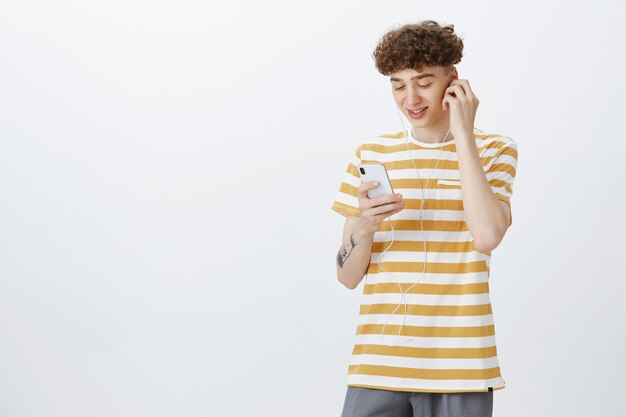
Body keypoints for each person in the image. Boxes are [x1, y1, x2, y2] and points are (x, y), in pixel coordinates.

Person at [331, 20, 518, 417]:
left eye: (424, 82)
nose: (410, 98)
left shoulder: (496, 149)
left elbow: (486, 236)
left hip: (461, 366)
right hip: (377, 365)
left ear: (454, 80)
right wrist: (364, 225)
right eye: (398, 85)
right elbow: (347, 277)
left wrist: (463, 136)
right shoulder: (371, 154)